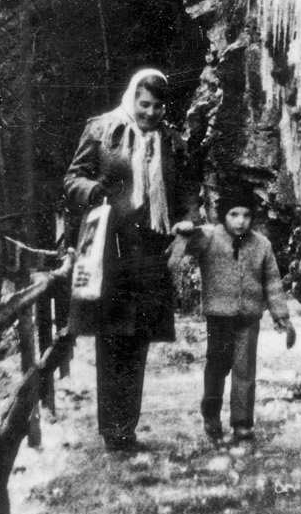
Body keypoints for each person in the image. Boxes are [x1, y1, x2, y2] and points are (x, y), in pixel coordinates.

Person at [63, 68, 200, 452]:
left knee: (138, 338)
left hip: (151, 248)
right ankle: (113, 431)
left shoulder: (173, 142)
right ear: (132, 98)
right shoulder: (103, 130)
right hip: (112, 246)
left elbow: (187, 186)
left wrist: (187, 218)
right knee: (111, 338)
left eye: (158, 106)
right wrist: (93, 190)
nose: (150, 112)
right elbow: (72, 178)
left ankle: (128, 426)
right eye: (144, 104)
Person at [172, 187, 295, 444]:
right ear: (222, 215)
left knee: (245, 372)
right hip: (219, 318)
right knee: (217, 368)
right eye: (234, 214)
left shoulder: (262, 245)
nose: (240, 221)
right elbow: (178, 252)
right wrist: (182, 232)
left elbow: (272, 282)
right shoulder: (208, 237)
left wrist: (281, 316)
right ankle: (212, 416)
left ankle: (242, 423)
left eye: (247, 215)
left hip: (249, 318)